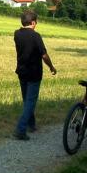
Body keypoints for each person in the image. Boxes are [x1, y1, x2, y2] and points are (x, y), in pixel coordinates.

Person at [13, 10, 57, 140]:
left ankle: (31, 125)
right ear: (33, 22)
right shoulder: (36, 36)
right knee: (30, 102)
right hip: (34, 72)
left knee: (27, 100)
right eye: (36, 23)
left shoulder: (17, 34)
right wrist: (51, 67)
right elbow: (44, 55)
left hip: (21, 71)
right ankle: (21, 129)